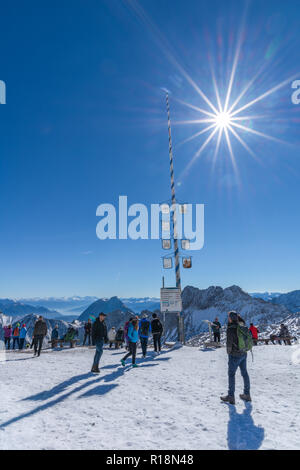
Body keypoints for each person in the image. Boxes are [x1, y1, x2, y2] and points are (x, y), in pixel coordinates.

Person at [220, 311, 251, 405]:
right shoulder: (242, 326)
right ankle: (247, 394)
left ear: (230, 318)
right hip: (243, 353)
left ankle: (231, 396)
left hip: (234, 355)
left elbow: (229, 344)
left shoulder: (231, 329)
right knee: (244, 373)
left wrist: (229, 353)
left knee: (231, 374)